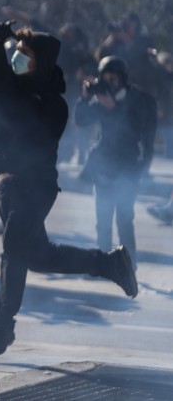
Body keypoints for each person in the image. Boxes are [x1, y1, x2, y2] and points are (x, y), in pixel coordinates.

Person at [0, 20, 139, 357]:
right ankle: (109, 264)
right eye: (16, 52)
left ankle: (3, 323)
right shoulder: (7, 85)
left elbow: (35, 146)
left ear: (43, 62)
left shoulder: (54, 105)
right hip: (7, 187)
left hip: (36, 185)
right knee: (39, 256)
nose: (18, 58)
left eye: (26, 55)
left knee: (13, 246)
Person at [74, 56, 157, 266]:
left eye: (114, 78)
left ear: (122, 78)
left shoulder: (135, 99)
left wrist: (114, 108)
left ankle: (129, 264)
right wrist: (84, 98)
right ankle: (104, 264)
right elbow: (81, 120)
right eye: (106, 78)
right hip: (104, 166)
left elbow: (135, 129)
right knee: (103, 221)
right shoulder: (102, 98)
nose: (110, 82)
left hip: (128, 168)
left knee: (124, 220)